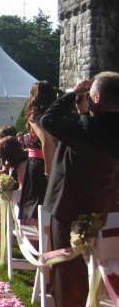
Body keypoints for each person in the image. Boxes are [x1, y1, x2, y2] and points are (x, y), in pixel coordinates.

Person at [41, 72, 119, 307]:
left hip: (69, 210)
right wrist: (84, 112)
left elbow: (49, 120)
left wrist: (73, 94)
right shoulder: (105, 129)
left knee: (68, 275)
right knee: (96, 270)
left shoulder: (87, 131)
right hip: (102, 208)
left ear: (96, 96)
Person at [18, 81, 56, 224]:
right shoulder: (55, 115)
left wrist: (48, 171)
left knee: (37, 206)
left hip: (40, 165)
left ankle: (42, 243)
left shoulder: (35, 117)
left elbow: (47, 141)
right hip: (53, 161)